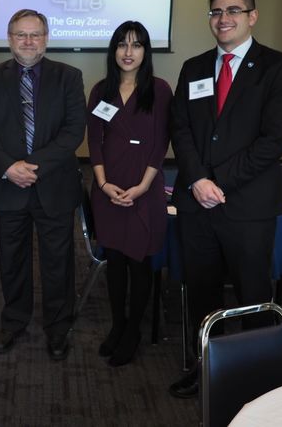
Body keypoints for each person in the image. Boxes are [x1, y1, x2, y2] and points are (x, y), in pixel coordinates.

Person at [168, 0, 282, 398]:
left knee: (252, 293)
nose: (222, 19)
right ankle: (205, 368)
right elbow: (181, 129)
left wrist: (216, 181)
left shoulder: (279, 68)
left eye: (233, 11)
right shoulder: (193, 67)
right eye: (215, 12)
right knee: (202, 293)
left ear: (252, 16)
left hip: (247, 206)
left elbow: (273, 141)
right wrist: (196, 179)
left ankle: (260, 380)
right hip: (197, 205)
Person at [0, 9, 86, 361]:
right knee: (12, 259)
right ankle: (14, 320)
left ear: (46, 38)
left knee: (58, 262)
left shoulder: (69, 76)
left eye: (35, 34)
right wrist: (9, 167)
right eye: (20, 35)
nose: (28, 41)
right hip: (8, 185)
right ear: (9, 39)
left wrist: (31, 166)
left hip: (53, 185)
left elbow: (73, 132)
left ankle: (58, 327)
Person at [86, 21, 172, 367]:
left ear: (145, 52)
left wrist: (142, 187)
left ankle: (134, 328)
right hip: (108, 189)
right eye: (122, 44)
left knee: (139, 262)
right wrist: (105, 185)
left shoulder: (160, 90)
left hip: (144, 189)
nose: (128, 52)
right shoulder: (100, 91)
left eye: (136, 45)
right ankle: (118, 325)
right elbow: (94, 142)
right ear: (114, 50)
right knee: (116, 263)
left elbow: (161, 143)